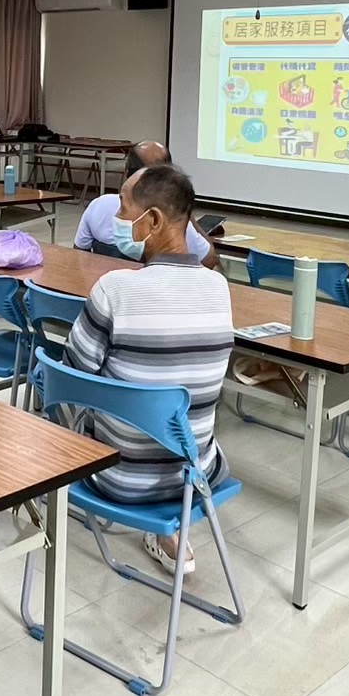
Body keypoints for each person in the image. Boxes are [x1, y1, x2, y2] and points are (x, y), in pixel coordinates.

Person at [64, 164, 232, 577]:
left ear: (152, 220)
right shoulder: (219, 287)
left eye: (124, 209)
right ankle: (170, 531)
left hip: (116, 478)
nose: (117, 220)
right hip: (197, 476)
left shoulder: (115, 288)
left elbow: (72, 380)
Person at [74, 141, 218, 269]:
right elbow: (209, 261)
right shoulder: (173, 223)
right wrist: (187, 217)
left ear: (126, 171)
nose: (118, 215)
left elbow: (78, 255)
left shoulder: (98, 205)